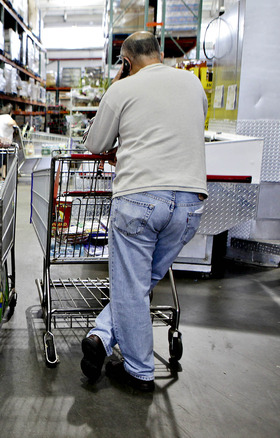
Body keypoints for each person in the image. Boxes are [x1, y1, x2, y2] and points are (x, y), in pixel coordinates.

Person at [79, 31, 207, 392]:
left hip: (140, 198)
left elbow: (96, 142)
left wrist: (119, 84)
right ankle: (102, 336)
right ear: (160, 53)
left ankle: (139, 372)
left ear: (126, 61)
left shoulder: (122, 88)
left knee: (130, 288)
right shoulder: (192, 83)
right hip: (189, 201)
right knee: (145, 279)